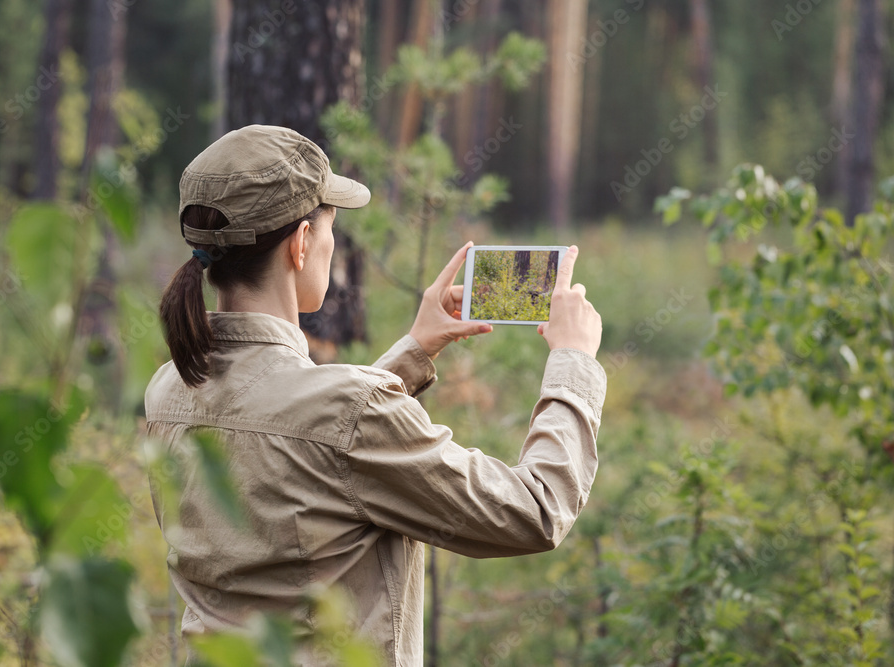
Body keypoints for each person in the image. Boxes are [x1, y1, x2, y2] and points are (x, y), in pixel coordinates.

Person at [144, 125, 605, 666]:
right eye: (331, 227)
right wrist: (573, 362)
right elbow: (535, 510)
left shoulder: (168, 391)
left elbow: (302, 441)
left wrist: (415, 349)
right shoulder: (346, 413)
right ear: (299, 244)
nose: (333, 243)